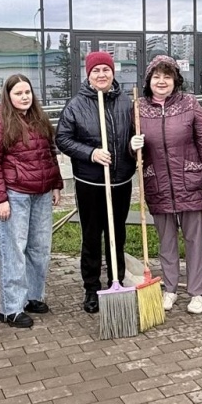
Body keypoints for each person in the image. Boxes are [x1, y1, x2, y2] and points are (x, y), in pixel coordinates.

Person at [132, 55, 202, 314]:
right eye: (157, 76)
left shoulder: (190, 104)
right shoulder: (138, 108)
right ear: (149, 80)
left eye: (167, 77)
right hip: (157, 183)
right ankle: (169, 289)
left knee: (194, 241)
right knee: (166, 242)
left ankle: (196, 292)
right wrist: (131, 145)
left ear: (175, 80)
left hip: (190, 182)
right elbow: (132, 152)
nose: (162, 81)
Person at [56, 51, 135, 313]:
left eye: (105, 70)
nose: (101, 74)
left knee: (118, 234)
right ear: (88, 75)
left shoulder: (126, 103)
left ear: (113, 73)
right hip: (90, 183)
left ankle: (117, 280)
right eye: (96, 71)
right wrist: (91, 153)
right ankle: (91, 287)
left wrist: (135, 146)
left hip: (121, 181)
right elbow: (63, 139)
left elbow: (136, 134)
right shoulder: (76, 105)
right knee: (91, 237)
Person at [0, 74, 63, 328]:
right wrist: (0, 199)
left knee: (40, 248)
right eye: (18, 93)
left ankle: (32, 296)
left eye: (27, 92)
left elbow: (50, 153)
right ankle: (11, 308)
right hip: (15, 194)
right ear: (8, 96)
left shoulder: (40, 120)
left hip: (41, 193)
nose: (24, 97)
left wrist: (57, 184)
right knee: (13, 250)